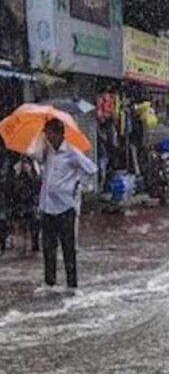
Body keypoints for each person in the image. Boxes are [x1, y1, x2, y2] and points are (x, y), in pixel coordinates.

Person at [38, 118, 97, 289]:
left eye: (49, 133)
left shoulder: (71, 152)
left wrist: (79, 184)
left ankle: (72, 285)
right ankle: (50, 283)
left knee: (68, 249)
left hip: (65, 208)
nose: (47, 137)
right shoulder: (47, 152)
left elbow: (91, 169)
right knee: (48, 248)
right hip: (47, 207)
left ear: (59, 134)